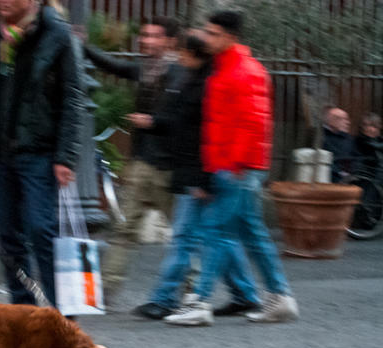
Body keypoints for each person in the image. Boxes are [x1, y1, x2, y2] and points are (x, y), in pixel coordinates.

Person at [165, 10, 298, 326]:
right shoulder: (228, 69)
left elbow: (253, 123)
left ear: (230, 37)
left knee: (215, 231)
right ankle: (280, 297)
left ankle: (200, 301)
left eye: (213, 33)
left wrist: (233, 165)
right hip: (234, 166)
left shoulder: (242, 71)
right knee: (251, 234)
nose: (206, 37)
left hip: (236, 168)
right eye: (207, 32)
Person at [0, 0, 84, 307]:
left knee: (42, 232)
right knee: (9, 239)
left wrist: (65, 156)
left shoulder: (57, 35)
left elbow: (72, 98)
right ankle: (24, 313)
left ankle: (62, 317)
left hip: (40, 155)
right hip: (1, 156)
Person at [130, 33, 261, 320]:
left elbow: (199, 134)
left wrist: (199, 179)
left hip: (197, 172)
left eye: (182, 52)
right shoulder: (197, 80)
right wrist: (153, 122)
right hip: (198, 171)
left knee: (185, 237)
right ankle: (245, 294)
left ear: (192, 54)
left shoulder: (202, 84)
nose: (178, 57)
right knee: (217, 238)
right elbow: (183, 124)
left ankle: (165, 299)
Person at [82, 16, 183, 298]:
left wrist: (152, 122)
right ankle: (106, 290)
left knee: (183, 235)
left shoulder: (179, 74)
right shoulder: (147, 70)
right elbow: (115, 66)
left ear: (170, 41)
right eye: (145, 35)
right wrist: (85, 47)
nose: (146, 41)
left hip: (168, 167)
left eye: (154, 36)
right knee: (124, 230)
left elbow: (183, 120)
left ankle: (192, 291)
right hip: (142, 163)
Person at [322, 105, 354, 183]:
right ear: (331, 121)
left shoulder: (348, 138)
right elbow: (325, 162)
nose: (348, 123)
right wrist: (341, 174)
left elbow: (357, 157)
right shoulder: (322, 137)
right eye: (343, 119)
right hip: (332, 178)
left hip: (354, 176)